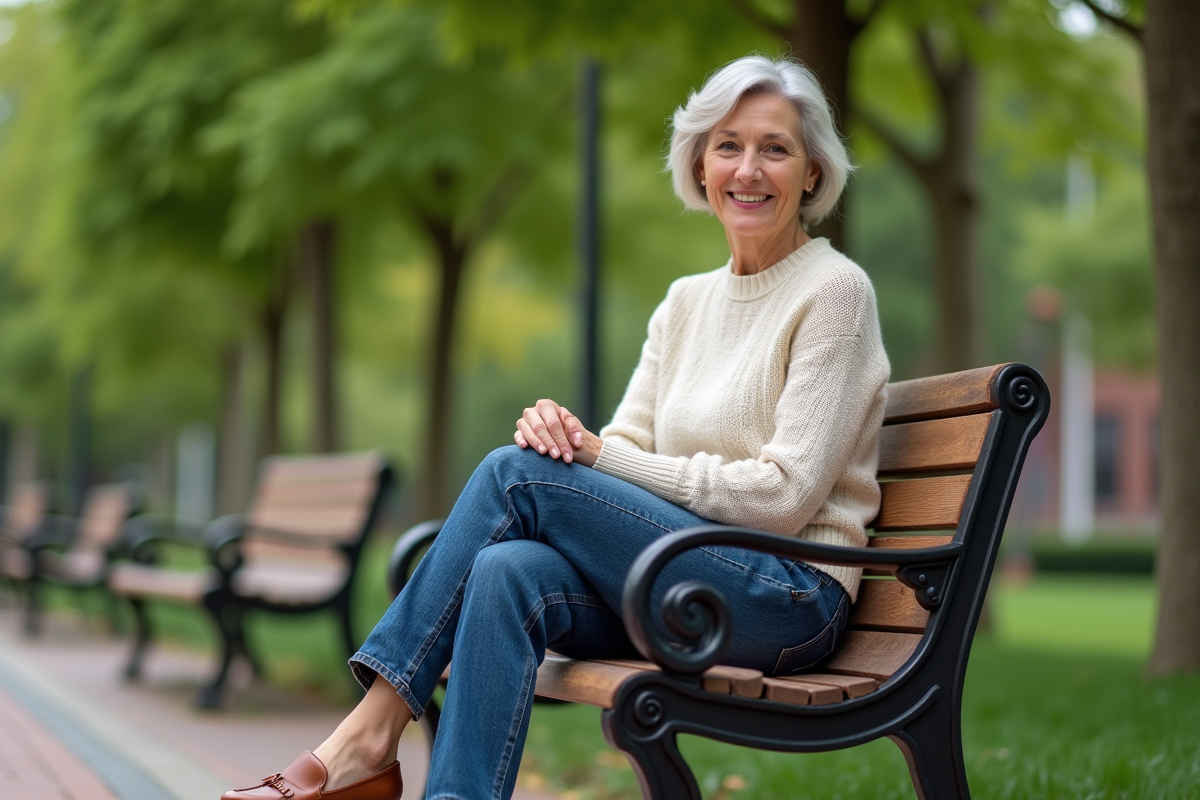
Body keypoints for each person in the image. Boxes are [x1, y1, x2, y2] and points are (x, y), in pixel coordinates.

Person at [221, 53, 889, 800]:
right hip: (681, 580)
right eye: (728, 145)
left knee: (516, 474)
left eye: (775, 148)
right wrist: (572, 442)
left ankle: (367, 739)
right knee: (505, 572)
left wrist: (589, 457)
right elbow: (626, 447)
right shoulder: (684, 302)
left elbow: (783, 496)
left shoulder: (835, 292)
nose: (748, 169)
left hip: (786, 596)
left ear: (812, 172)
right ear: (701, 164)